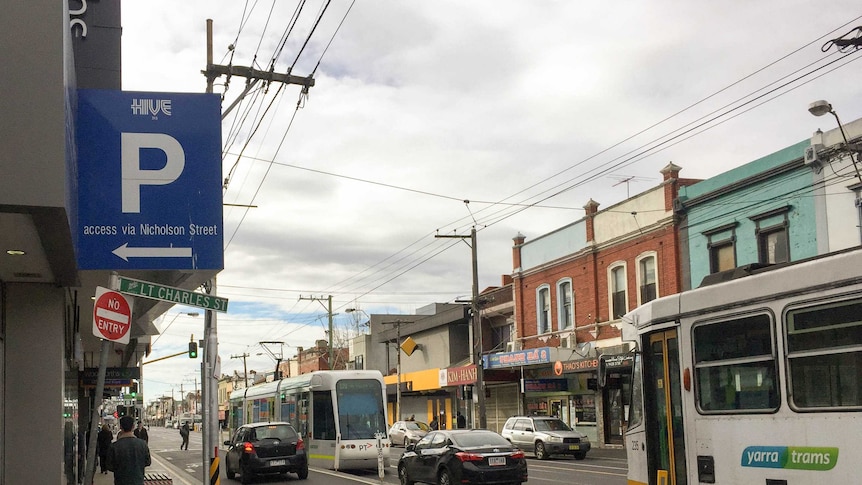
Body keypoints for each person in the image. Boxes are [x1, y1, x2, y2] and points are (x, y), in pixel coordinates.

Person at [106, 415, 151, 485]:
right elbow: (148, 462)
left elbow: (109, 466)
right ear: (133, 427)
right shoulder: (142, 444)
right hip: (138, 481)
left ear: (120, 427)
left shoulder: (114, 446)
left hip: (121, 481)